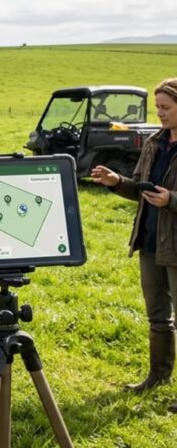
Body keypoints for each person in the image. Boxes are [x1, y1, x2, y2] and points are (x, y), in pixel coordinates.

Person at [91, 78, 177, 413]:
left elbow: (165, 196)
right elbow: (141, 189)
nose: (160, 114)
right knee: (157, 315)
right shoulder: (155, 142)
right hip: (151, 241)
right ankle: (158, 376)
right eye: (158, 108)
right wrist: (117, 182)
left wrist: (171, 199)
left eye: (166, 108)